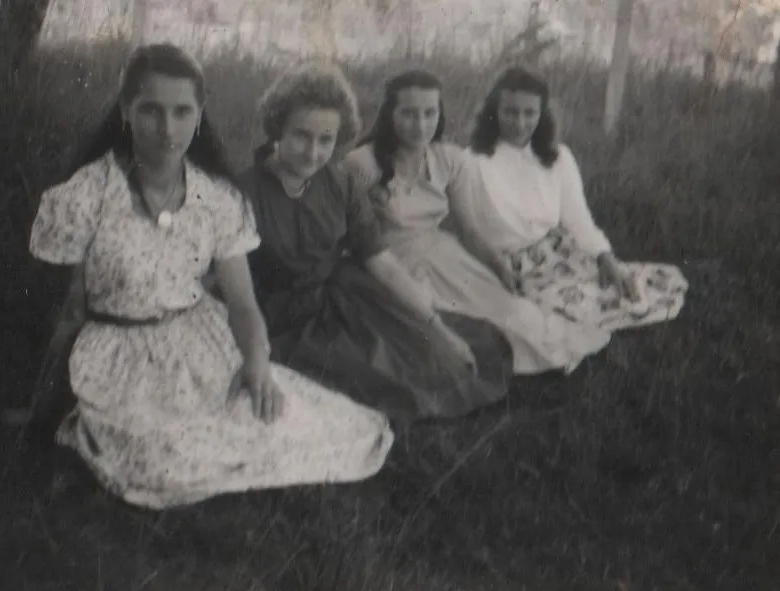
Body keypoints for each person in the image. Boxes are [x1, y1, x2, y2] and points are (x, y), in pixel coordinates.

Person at [26, 43, 394, 510]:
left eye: (182, 112)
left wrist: (257, 361)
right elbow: (70, 309)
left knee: (284, 425)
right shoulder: (83, 196)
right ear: (125, 111)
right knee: (162, 456)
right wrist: (45, 402)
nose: (167, 128)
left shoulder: (217, 199)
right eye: (151, 111)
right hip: (118, 355)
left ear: (199, 115)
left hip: (200, 345)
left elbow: (241, 303)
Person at [235, 62, 513, 423]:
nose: (313, 153)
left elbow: (380, 261)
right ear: (277, 129)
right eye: (301, 136)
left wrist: (437, 328)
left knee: (430, 354)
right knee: (365, 385)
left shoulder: (341, 182)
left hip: (345, 295)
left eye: (326, 140)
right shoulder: (242, 193)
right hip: (280, 317)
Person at [343, 69, 610, 376]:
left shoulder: (450, 159)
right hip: (391, 263)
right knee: (446, 328)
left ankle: (525, 364)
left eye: (430, 113)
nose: (420, 125)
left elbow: (469, 231)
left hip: (443, 254)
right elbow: (342, 229)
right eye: (409, 114)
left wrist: (497, 267)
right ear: (390, 114)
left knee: (519, 314)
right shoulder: (363, 164)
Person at [463, 66, 688, 334]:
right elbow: (468, 231)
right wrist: (494, 266)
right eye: (510, 112)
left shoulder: (558, 157)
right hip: (503, 266)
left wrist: (607, 259)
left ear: (542, 114)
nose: (520, 123)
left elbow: (578, 219)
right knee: (552, 319)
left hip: (558, 255)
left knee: (625, 290)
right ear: (494, 111)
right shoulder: (470, 161)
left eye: (529, 113)